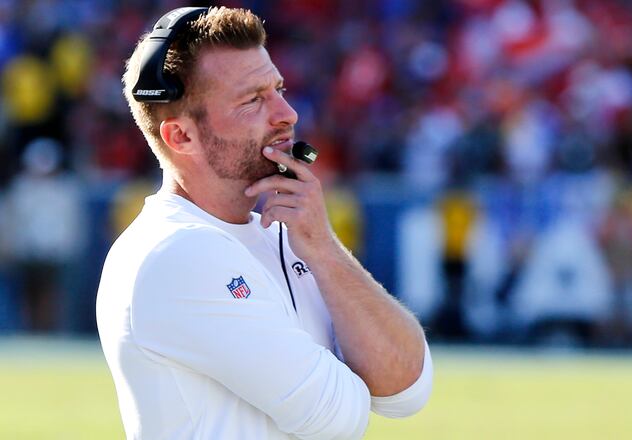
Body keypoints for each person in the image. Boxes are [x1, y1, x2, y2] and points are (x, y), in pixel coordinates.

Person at [96, 7, 432, 439]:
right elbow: (337, 419)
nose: (287, 113)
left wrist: (324, 248)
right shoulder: (174, 251)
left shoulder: (289, 234)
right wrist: (353, 372)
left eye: (278, 88)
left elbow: (407, 389)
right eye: (252, 100)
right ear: (181, 136)